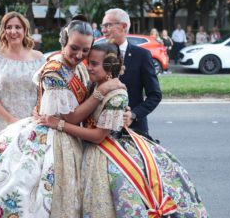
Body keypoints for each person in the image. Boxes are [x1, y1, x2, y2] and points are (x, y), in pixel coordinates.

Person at [0, 15, 124, 218]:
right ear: (64, 42)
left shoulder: (78, 67)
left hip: (67, 137)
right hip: (53, 138)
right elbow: (70, 117)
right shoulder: (54, 70)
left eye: (85, 50)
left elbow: (81, 101)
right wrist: (101, 92)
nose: (79, 55)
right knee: (31, 192)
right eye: (74, 48)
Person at [38, 42, 209, 217]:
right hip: (90, 149)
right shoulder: (96, 85)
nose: (89, 68)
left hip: (105, 153)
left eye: (94, 64)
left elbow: (98, 136)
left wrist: (59, 124)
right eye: (89, 62)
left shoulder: (117, 95)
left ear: (110, 66)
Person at [0, 11, 46, 139]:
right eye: (8, 27)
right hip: (3, 125)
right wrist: (11, 120)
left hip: (32, 124)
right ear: (3, 31)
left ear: (25, 30)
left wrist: (37, 112)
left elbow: (45, 91)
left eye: (18, 27)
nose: (13, 31)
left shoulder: (39, 58)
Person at [101, 8, 161, 138]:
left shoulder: (142, 55)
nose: (103, 30)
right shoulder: (99, 55)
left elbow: (155, 95)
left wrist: (134, 114)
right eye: (103, 26)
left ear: (123, 26)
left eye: (108, 25)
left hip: (133, 131)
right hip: (102, 131)